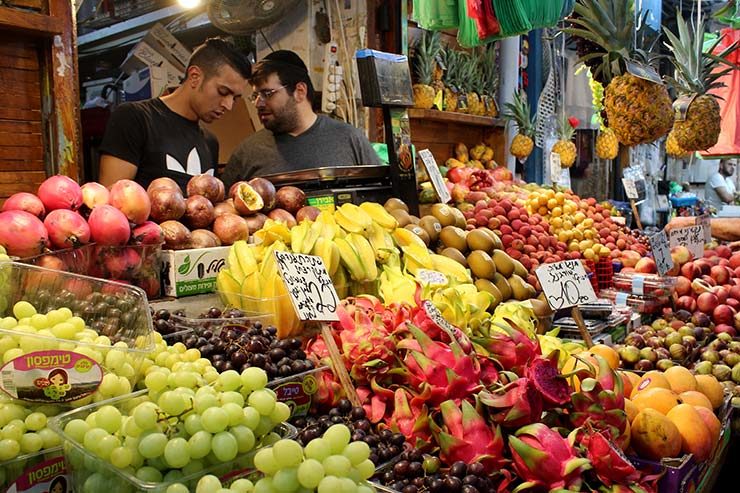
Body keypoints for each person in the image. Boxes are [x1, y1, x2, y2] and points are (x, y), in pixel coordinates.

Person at [98, 38, 252, 190]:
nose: (229, 105)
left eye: (235, 98)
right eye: (223, 92)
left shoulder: (210, 142)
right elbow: (113, 201)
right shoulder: (134, 118)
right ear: (195, 77)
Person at [221, 50, 381, 187]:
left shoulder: (350, 139)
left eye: (267, 94)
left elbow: (381, 197)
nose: (258, 103)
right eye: (255, 95)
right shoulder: (247, 153)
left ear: (300, 91)